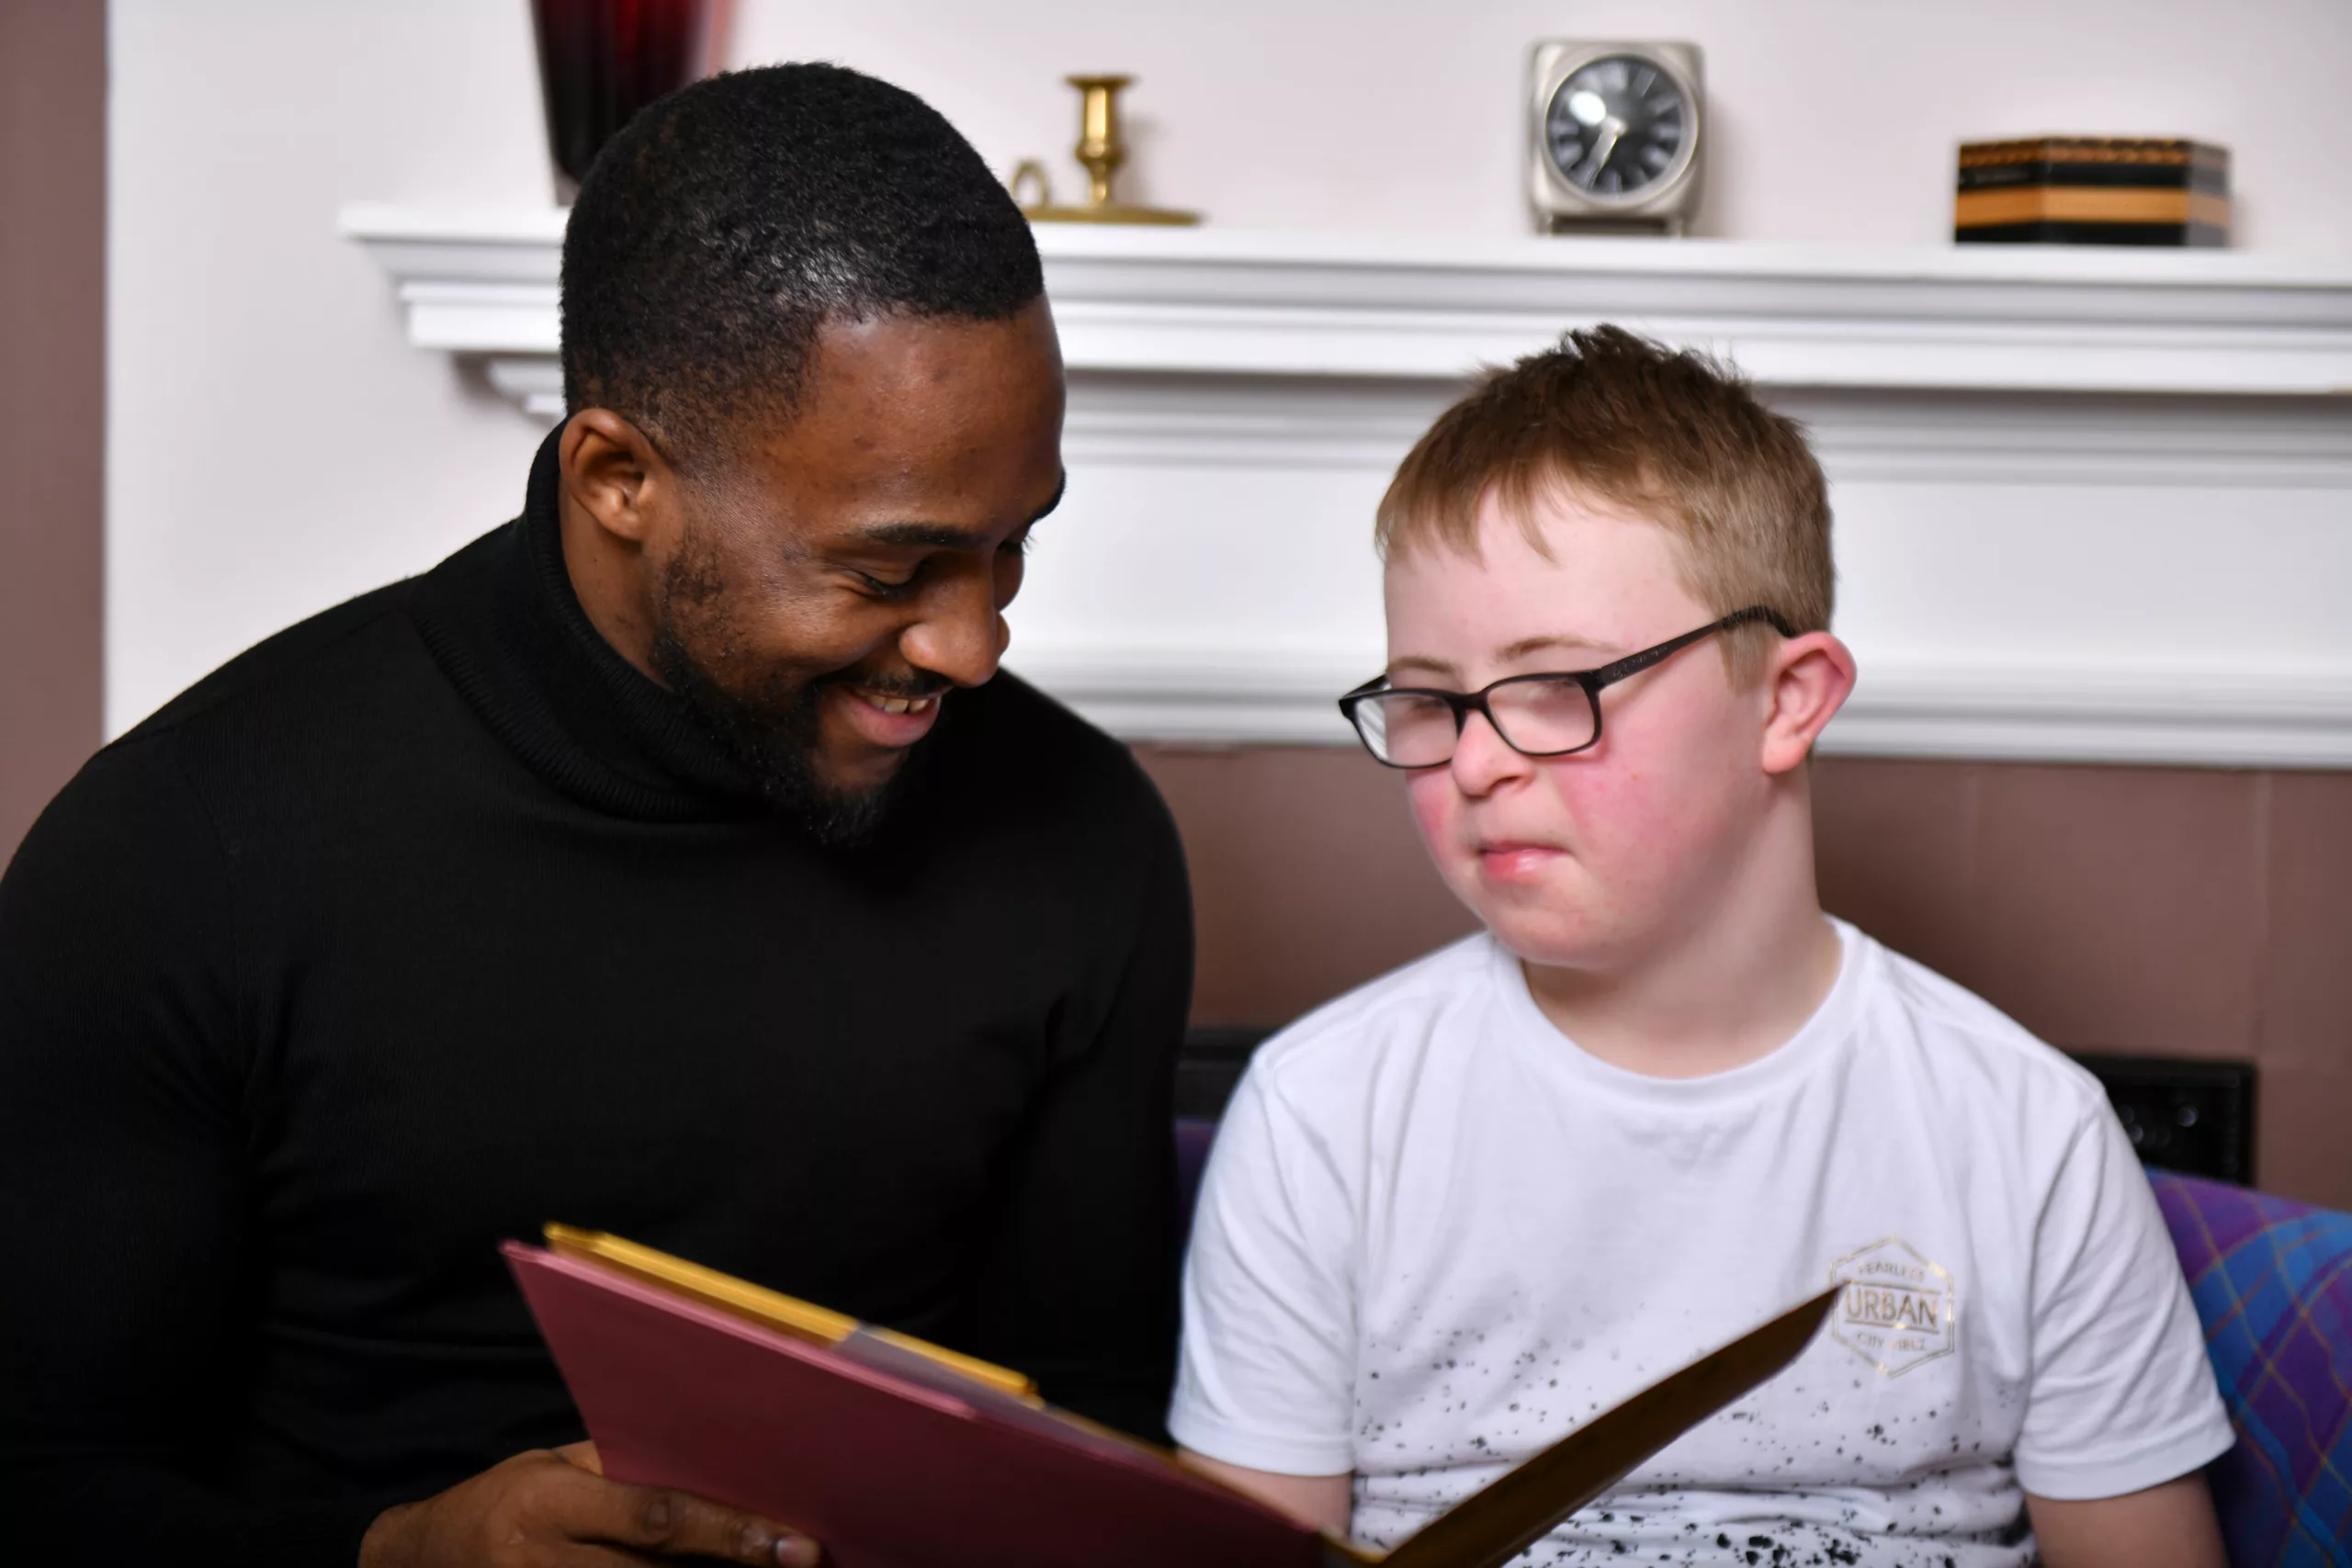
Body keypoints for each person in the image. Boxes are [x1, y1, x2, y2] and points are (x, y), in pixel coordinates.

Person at [0, 64, 1193, 1568]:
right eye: (891, 573)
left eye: (1013, 548)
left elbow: (1090, 1439)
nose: (973, 647)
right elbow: (38, 1484)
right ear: (619, 476)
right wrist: (401, 1553)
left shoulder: (1084, 839)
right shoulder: (182, 850)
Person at [1168, 328, 2233, 1567]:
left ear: (1787, 700)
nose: (1473, 759)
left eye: (1558, 685)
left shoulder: (2026, 1133)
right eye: (1428, 699)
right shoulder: (1326, 1114)